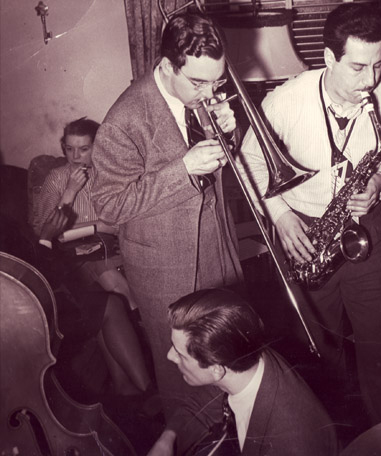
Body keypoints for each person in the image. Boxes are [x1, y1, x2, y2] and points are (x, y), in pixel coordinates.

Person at [236, 3, 381, 425]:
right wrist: (280, 214)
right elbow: (248, 163)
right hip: (302, 231)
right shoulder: (284, 101)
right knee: (317, 352)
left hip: (368, 230)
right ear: (328, 58)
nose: (370, 80)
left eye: (377, 65)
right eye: (358, 67)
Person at [91, 13, 243, 423]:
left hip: (218, 250)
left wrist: (229, 134)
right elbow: (109, 204)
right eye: (198, 83)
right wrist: (184, 169)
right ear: (168, 65)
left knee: (227, 362)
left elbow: (217, 166)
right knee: (185, 382)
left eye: (217, 81)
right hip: (166, 268)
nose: (210, 93)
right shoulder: (125, 120)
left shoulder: (202, 94)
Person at [148, 288, 338, 456]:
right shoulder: (239, 359)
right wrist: (167, 440)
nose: (170, 356)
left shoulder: (290, 441)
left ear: (216, 370)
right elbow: (201, 404)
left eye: (180, 354)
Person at [0, 211, 153, 398]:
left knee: (103, 303)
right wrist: (46, 238)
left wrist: (50, 241)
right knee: (109, 304)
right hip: (30, 325)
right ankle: (145, 388)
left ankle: (125, 386)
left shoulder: (7, 224)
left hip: (31, 311)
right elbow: (35, 279)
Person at [34, 117, 136, 310]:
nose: (75, 156)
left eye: (83, 149)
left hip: (112, 245)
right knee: (112, 279)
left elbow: (122, 221)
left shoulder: (110, 174)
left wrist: (93, 227)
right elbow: (44, 231)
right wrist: (70, 191)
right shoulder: (56, 178)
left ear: (97, 148)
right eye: (69, 148)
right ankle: (136, 318)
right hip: (75, 253)